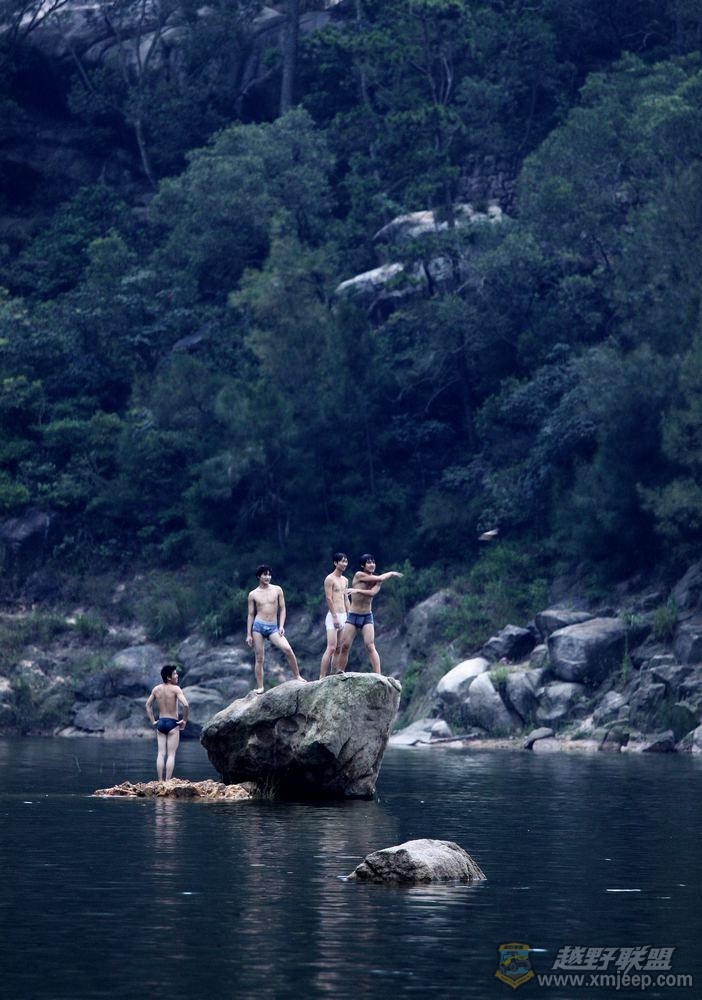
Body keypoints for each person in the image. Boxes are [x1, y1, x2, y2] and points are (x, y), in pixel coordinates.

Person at [334, 554, 403, 675]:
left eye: (373, 562)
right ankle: (340, 672)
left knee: (370, 646)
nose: (372, 565)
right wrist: (391, 574)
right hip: (353, 616)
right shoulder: (359, 575)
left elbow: (372, 593)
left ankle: (378, 675)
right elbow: (379, 579)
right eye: (369, 563)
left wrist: (358, 590)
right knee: (345, 646)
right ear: (363, 565)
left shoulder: (377, 581)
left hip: (366, 616)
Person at [246, 564, 306, 693]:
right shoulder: (253, 594)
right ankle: (260, 687)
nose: (268, 577)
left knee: (287, 649)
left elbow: (283, 608)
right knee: (259, 658)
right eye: (265, 575)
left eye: (269, 574)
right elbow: (250, 614)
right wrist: (248, 634)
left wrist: (281, 626)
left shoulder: (277, 590)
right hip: (258, 626)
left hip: (273, 627)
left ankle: (297, 676)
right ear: (259, 576)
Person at [145, 664, 190, 781]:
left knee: (161, 753)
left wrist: (153, 721)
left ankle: (160, 781)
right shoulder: (176, 689)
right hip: (172, 723)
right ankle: (167, 782)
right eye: (174, 673)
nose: (177, 675)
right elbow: (186, 705)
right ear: (169, 677)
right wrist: (184, 720)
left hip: (161, 723)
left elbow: (148, 705)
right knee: (171, 754)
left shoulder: (156, 689)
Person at [319, 552, 351, 678]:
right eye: (342, 561)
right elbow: (329, 598)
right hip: (333, 616)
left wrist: (349, 615)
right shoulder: (329, 579)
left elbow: (346, 598)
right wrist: (334, 617)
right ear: (335, 563)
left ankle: (333, 674)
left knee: (339, 648)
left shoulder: (345, 580)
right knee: (331, 647)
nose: (344, 564)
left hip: (343, 615)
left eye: (346, 561)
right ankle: (321, 676)